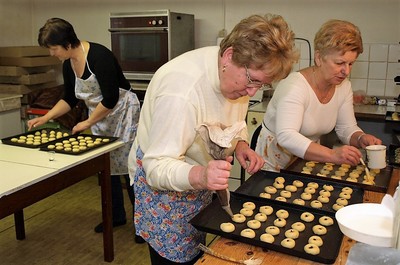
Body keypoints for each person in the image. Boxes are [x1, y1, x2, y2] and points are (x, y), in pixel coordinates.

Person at [128, 14, 299, 264]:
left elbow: (228, 122)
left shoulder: (235, 74)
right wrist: (201, 176)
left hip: (199, 178)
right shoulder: (181, 91)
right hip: (163, 188)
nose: (252, 92)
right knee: (176, 259)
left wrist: (239, 143)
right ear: (229, 56)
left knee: (199, 251)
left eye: (261, 85)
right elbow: (156, 167)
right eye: (252, 81)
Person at [27, 18, 143, 242]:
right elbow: (69, 99)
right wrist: (46, 117)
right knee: (106, 168)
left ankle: (142, 225)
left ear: (67, 44)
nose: (52, 53)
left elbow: (110, 99)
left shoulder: (99, 57)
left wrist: (87, 123)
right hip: (100, 118)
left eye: (53, 48)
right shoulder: (68, 64)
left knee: (130, 170)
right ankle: (116, 216)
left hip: (123, 114)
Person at [255, 19, 382, 172]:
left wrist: (361, 137)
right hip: (272, 163)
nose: (346, 71)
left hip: (307, 161)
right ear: (319, 58)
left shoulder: (344, 87)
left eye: (350, 64)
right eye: (339, 63)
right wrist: (332, 154)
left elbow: (346, 127)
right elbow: (286, 136)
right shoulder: (295, 86)